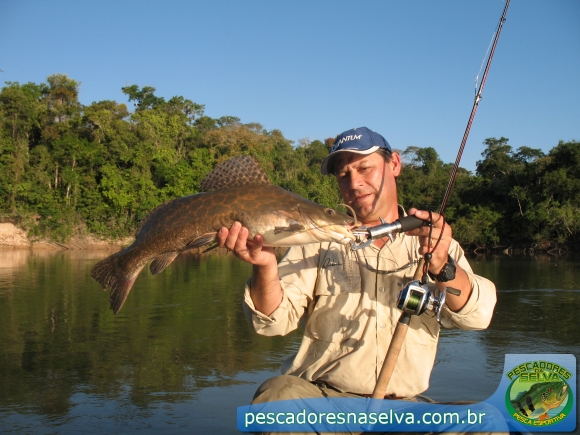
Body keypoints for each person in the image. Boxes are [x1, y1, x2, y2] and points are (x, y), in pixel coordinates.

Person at [217, 127, 497, 431]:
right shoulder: (316, 240)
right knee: (277, 399)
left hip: (405, 410)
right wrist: (265, 266)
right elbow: (272, 323)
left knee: (486, 422)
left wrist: (443, 266)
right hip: (324, 402)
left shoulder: (435, 241)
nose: (354, 182)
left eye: (365, 168)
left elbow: (478, 317)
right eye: (343, 175)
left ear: (394, 164)